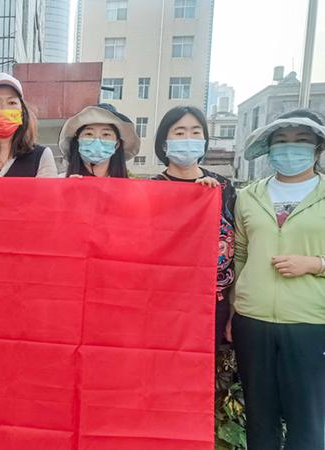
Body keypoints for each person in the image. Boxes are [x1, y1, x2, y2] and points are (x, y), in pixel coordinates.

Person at [229, 109, 325, 450]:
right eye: (281, 141)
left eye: (301, 140)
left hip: (311, 321)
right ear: (268, 149)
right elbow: (240, 253)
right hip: (252, 320)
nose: (290, 148)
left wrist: (315, 263)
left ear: (317, 149)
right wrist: (233, 310)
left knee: (308, 420)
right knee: (260, 416)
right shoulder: (248, 196)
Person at [153, 106, 237, 349]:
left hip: (212, 301)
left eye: (195, 132)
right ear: (164, 143)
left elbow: (238, 247)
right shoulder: (152, 189)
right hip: (162, 300)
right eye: (179, 133)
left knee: (202, 365)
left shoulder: (223, 187)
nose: (188, 138)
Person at [58, 103, 140, 178]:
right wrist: (69, 187)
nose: (97, 141)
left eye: (106, 134)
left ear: (117, 144)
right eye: (89, 134)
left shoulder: (131, 186)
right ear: (77, 141)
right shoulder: (60, 182)